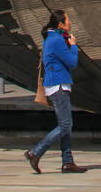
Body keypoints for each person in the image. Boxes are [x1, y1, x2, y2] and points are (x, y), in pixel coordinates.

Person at [24, 10, 87, 174]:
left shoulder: (53, 38)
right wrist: (74, 47)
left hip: (57, 85)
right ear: (60, 24)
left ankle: (67, 162)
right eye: (68, 20)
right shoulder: (57, 40)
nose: (70, 23)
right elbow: (72, 62)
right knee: (66, 125)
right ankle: (36, 152)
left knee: (65, 125)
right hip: (58, 86)